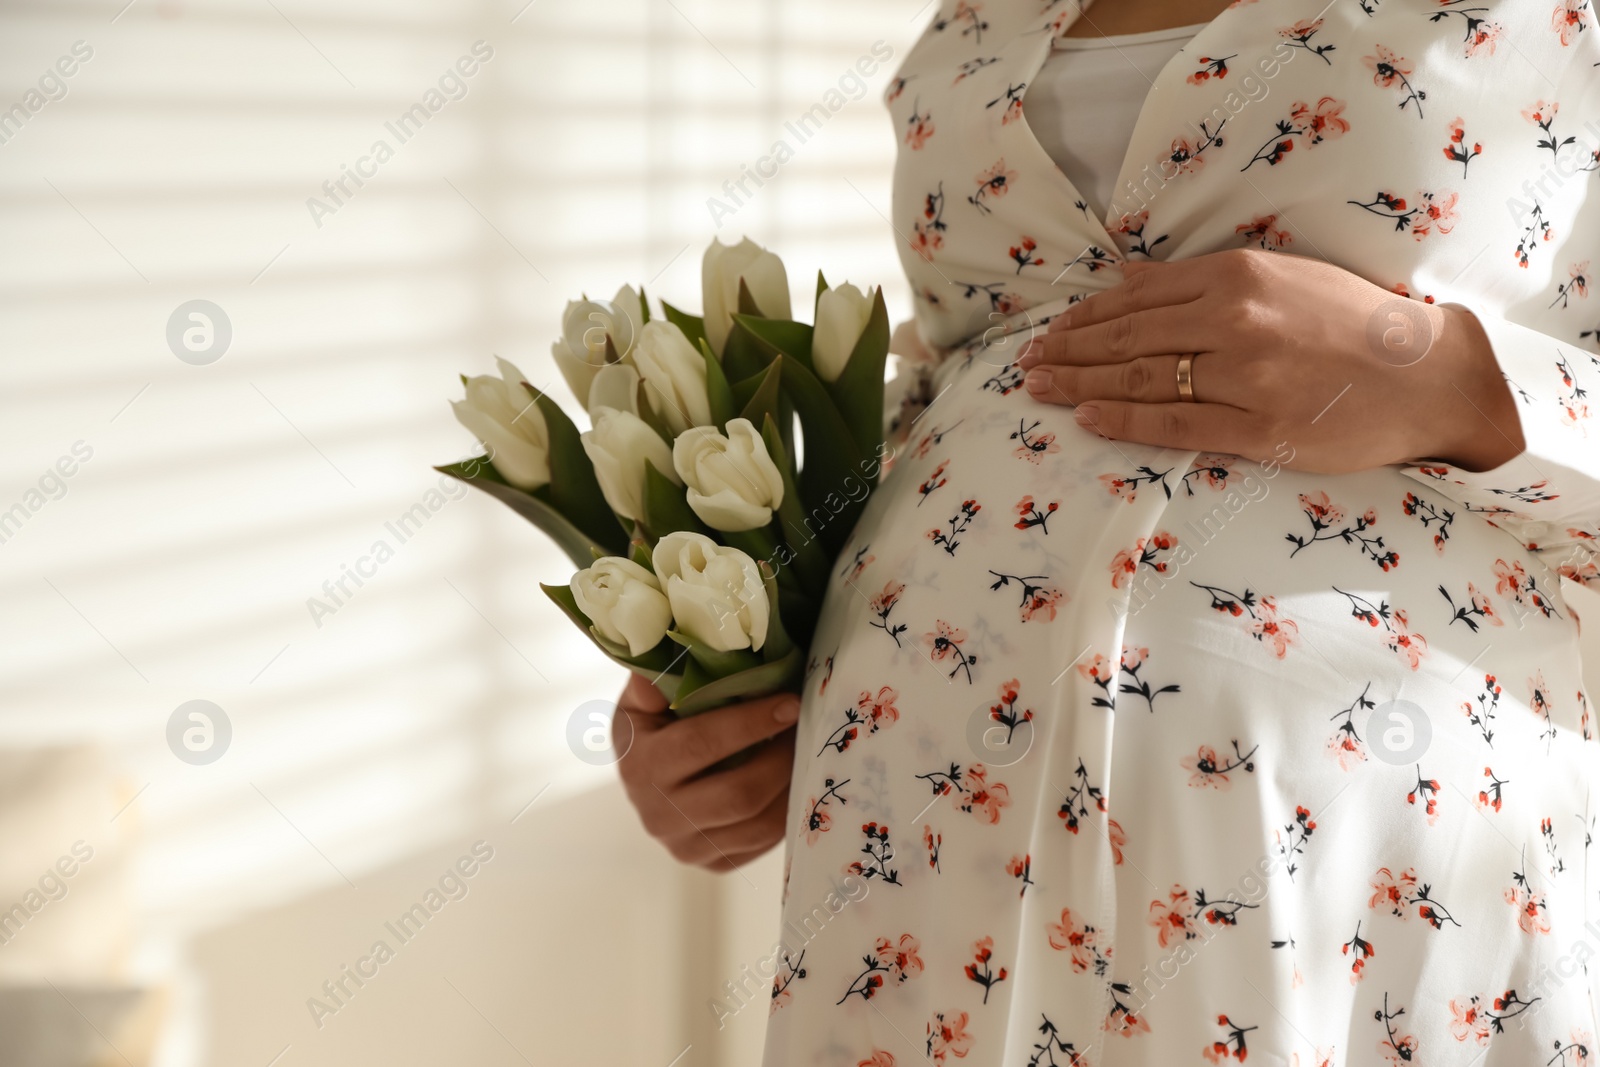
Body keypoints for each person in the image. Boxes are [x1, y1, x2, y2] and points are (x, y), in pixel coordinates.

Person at [620, 0, 1600, 1062]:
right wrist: (740, 675)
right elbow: (950, 381)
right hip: (919, 851)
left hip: (1356, 848)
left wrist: (1449, 381)